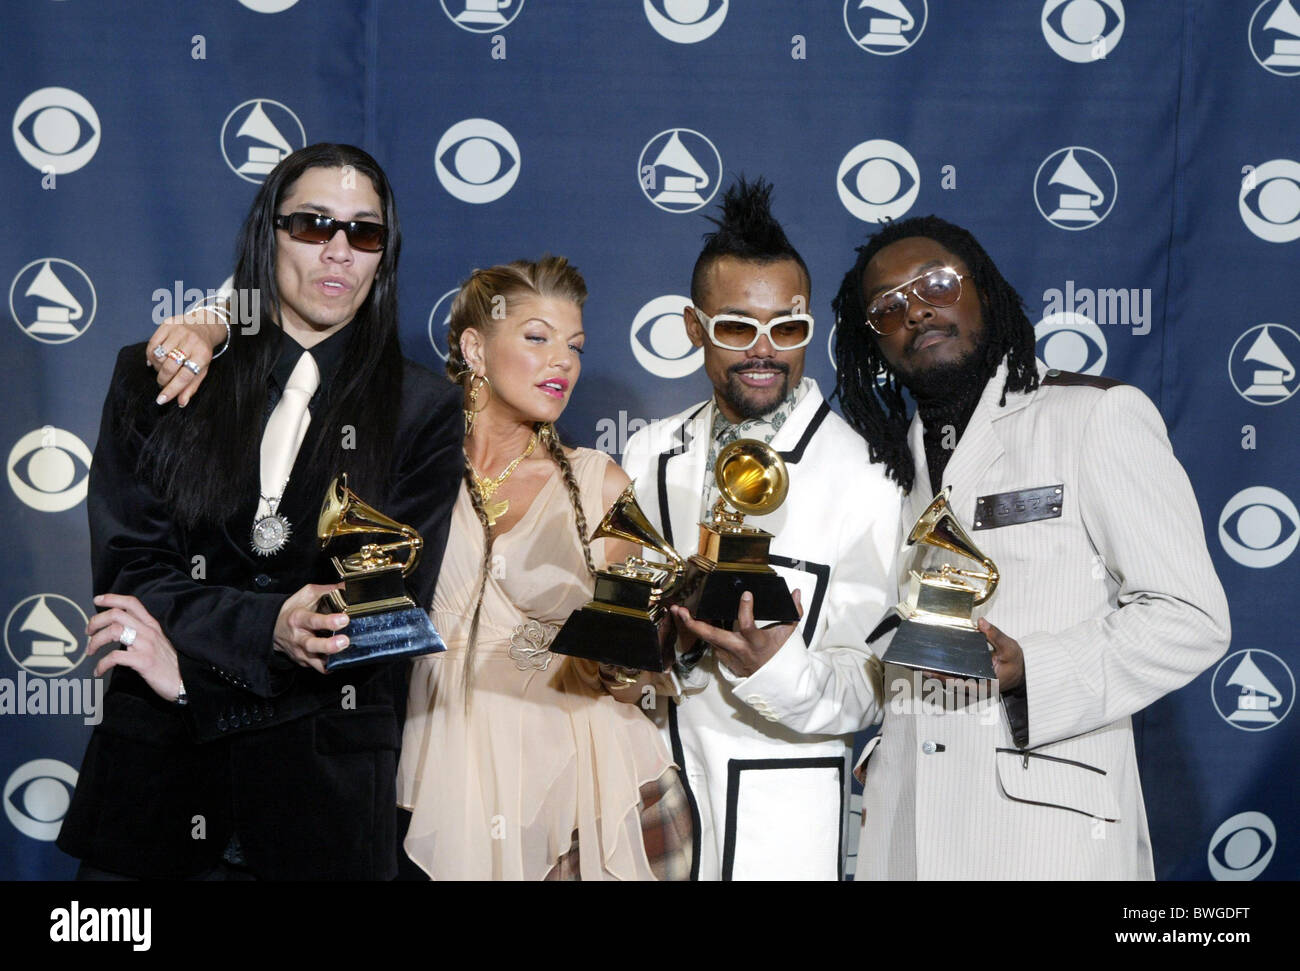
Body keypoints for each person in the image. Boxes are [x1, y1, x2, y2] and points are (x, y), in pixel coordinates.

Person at [57, 144, 464, 880]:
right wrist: (269, 627)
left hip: (322, 819)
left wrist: (188, 678)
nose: (338, 250)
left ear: (383, 254)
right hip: (152, 802)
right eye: (312, 225)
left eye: (363, 232)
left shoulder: (424, 412)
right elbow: (131, 572)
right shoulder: (155, 376)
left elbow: (375, 618)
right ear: (266, 233)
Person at [831, 214, 1231, 880]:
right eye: (888, 307)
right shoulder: (884, 464)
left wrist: (1032, 670)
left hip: (1046, 834)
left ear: (984, 287)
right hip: (905, 831)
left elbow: (1190, 617)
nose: (916, 309)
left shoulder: (1094, 416)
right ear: (875, 341)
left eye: (935, 282)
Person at [620, 178, 901, 880]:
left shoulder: (867, 474)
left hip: (785, 826)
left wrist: (777, 669)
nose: (764, 350)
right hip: (648, 807)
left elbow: (879, 681)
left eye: (789, 327)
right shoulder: (649, 452)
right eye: (738, 326)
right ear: (695, 328)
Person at [397, 257, 691, 880]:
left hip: (593, 788)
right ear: (475, 348)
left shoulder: (599, 485)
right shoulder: (414, 475)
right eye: (537, 338)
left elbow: (633, 681)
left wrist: (630, 658)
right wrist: (212, 323)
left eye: (575, 347)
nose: (562, 362)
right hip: (452, 771)